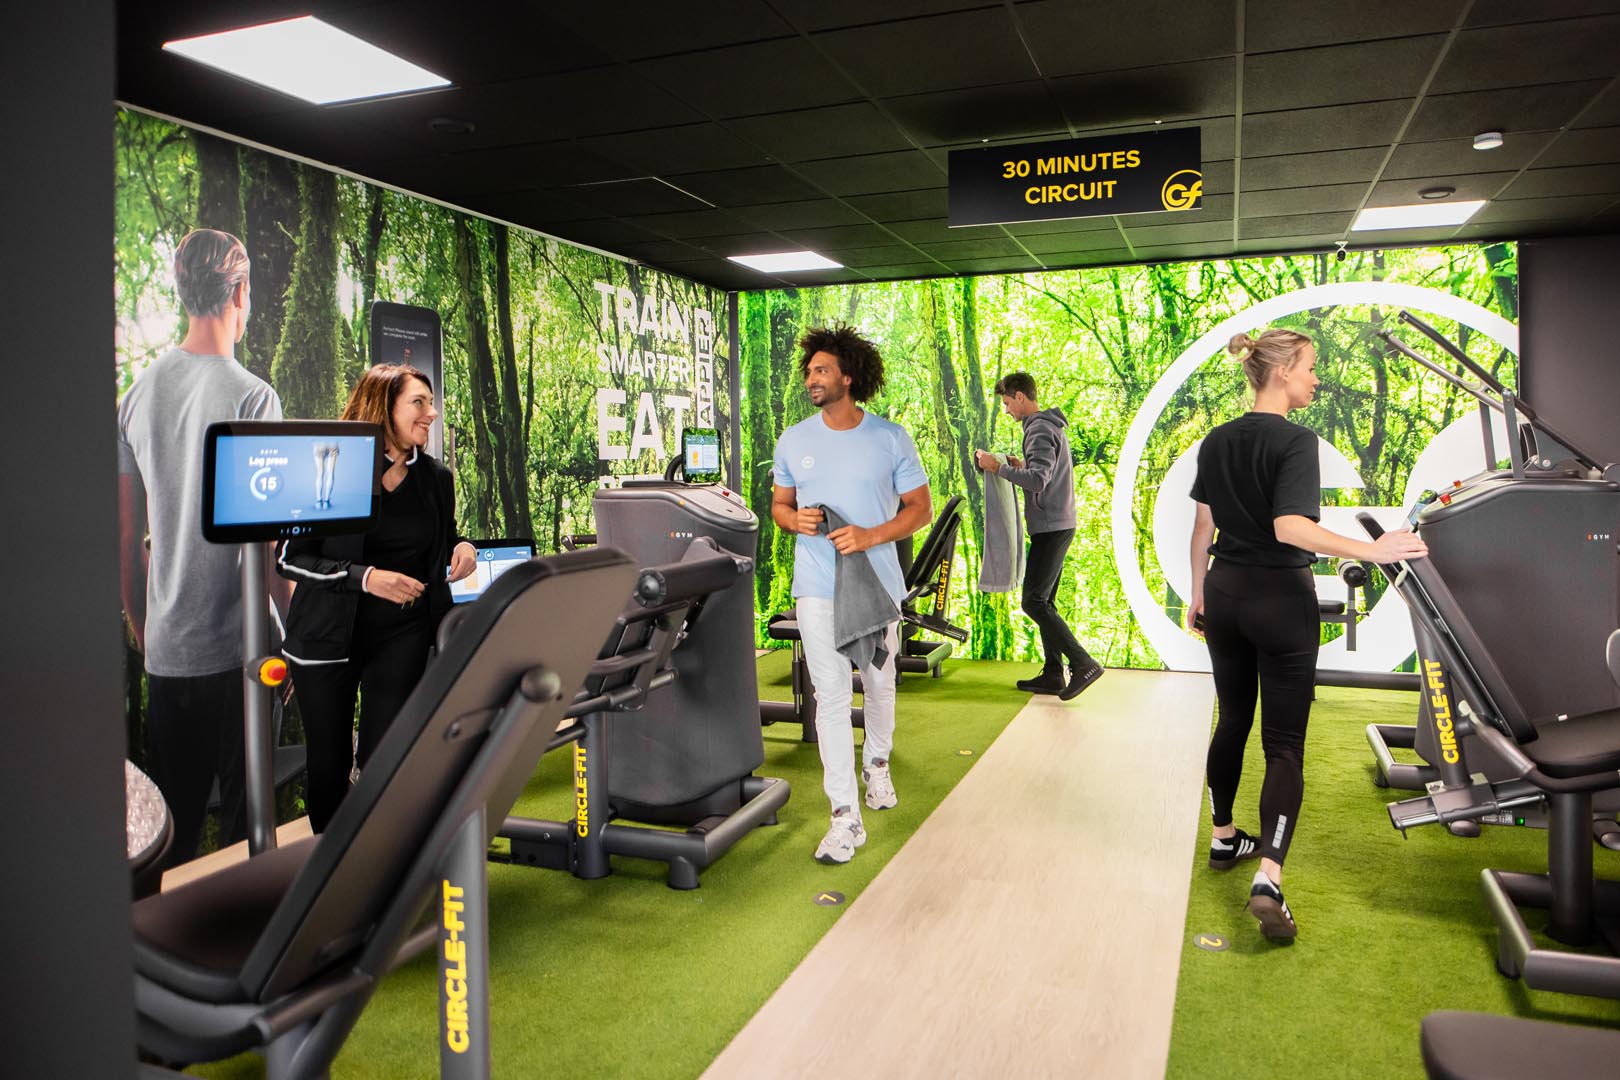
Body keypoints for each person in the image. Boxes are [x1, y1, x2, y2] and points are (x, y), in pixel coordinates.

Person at [1187, 328, 1427, 942]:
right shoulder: (1296, 440)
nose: (1316, 380)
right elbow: (1291, 527)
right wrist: (1371, 551)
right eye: (1311, 368)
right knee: (1285, 744)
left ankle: (1223, 839)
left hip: (1226, 592)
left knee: (1232, 718)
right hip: (1278, 599)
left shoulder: (1216, 441)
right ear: (1283, 370)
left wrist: (1197, 594)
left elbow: (1202, 530)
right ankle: (1267, 876)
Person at [118, 228, 286, 868]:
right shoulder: (252, 396)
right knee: (250, 830)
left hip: (167, 655)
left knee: (174, 834)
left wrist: (143, 626)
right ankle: (247, 960)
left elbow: (129, 539)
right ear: (240, 292)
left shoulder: (135, 397)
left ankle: (167, 961)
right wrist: (295, 633)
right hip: (239, 653)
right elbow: (263, 549)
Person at [277, 364, 477, 832]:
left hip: (403, 635)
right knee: (328, 768)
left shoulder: (435, 478)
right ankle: (331, 876)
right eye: (419, 403)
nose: (432, 413)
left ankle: (380, 871)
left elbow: (445, 537)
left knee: (385, 759)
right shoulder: (329, 469)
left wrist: (463, 546)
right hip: (326, 637)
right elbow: (290, 560)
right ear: (383, 406)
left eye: (432, 402)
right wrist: (365, 578)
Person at [772, 326, 932, 865]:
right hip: (817, 587)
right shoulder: (794, 440)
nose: (811, 379)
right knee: (832, 696)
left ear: (847, 375)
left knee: (880, 684)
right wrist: (795, 520)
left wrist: (868, 535)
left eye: (821, 370)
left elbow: (918, 509)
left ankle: (878, 766)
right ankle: (844, 816)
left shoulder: (890, 438)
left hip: (879, 587)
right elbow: (779, 505)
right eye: (809, 371)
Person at [974, 372, 1103, 701]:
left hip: (1052, 526)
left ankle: (1083, 662)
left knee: (1033, 601)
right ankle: (1052, 673)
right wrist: (1021, 463)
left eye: (1006, 403)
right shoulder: (1046, 427)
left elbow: (1038, 481)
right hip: (1056, 523)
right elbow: (1044, 469)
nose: (1006, 410)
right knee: (1045, 601)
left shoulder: (1038, 428)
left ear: (1019, 397)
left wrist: (997, 467)